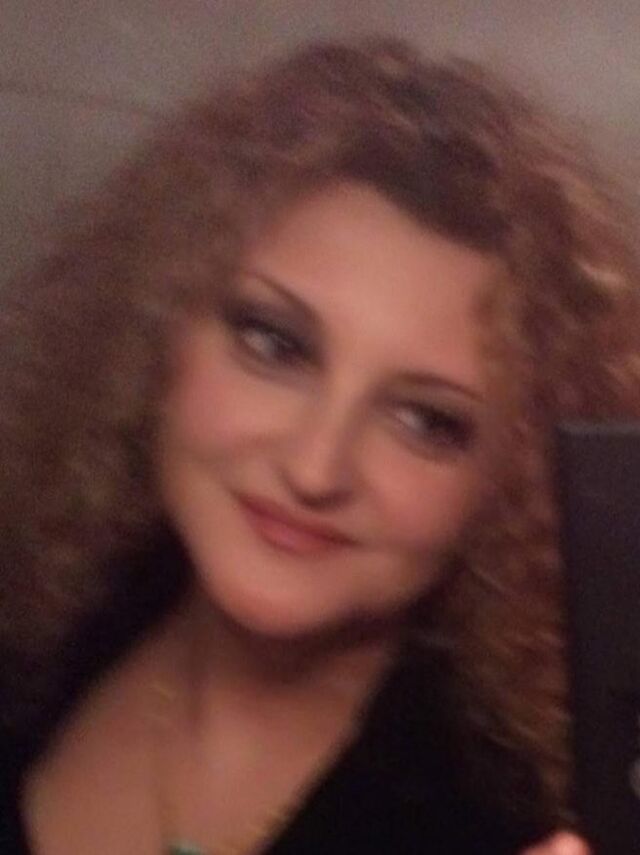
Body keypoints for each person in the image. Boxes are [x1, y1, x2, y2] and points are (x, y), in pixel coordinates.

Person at [1, 36, 635, 854]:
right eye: (275, 345)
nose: (314, 468)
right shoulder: (34, 620)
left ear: (511, 482)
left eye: (427, 421)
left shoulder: (537, 810)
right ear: (160, 332)